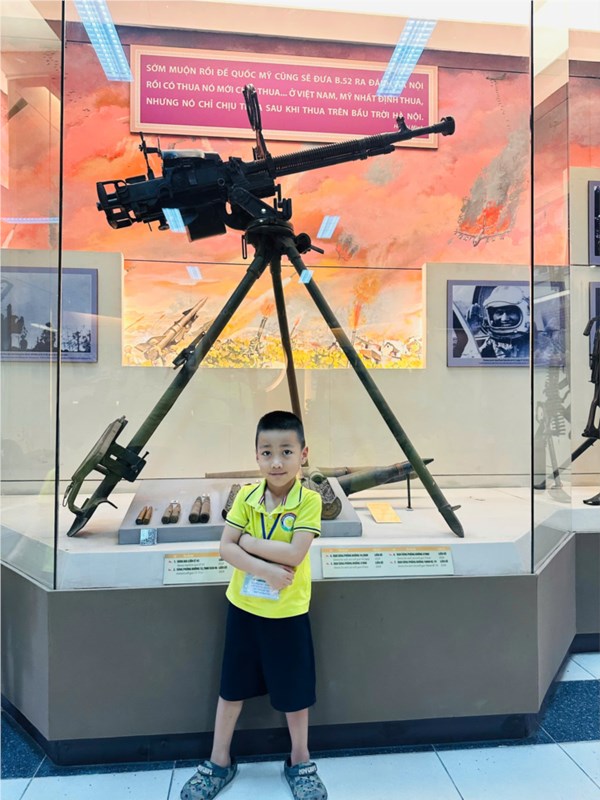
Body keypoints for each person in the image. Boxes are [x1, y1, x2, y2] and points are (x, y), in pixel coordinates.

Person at [181, 410, 327, 800]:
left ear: (303, 454)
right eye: (267, 452)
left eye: (286, 451)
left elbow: (294, 553)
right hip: (244, 607)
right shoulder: (246, 496)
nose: (276, 461)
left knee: (295, 692)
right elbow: (224, 548)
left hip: (288, 611)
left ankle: (300, 759)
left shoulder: (309, 501)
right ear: (256, 455)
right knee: (231, 688)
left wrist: (247, 542)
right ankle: (219, 760)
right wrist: (265, 570)